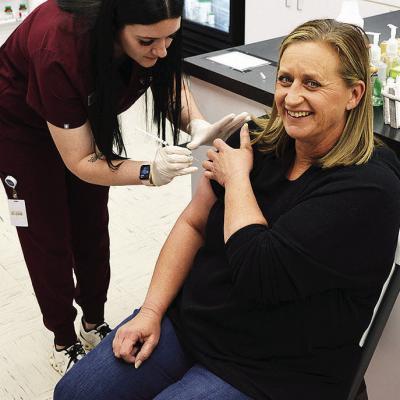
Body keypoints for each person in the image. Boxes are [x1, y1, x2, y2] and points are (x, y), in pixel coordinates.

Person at [54, 19, 400, 400]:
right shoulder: (256, 139)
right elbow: (195, 222)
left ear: (354, 94)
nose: (292, 97)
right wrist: (151, 311)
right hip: (196, 322)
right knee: (75, 392)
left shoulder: (369, 188)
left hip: (276, 367)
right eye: (286, 79)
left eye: (312, 84)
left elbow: (259, 269)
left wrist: (237, 180)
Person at [0, 0, 249, 375]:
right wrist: (150, 171)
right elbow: (81, 161)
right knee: (46, 235)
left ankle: (93, 320)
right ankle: (63, 338)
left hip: (82, 112)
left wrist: (196, 122)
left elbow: (168, 80)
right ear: (113, 26)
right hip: (22, 127)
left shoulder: (153, 37)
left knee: (91, 223)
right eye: (148, 41)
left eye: (170, 38)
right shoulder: (59, 50)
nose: (162, 50)